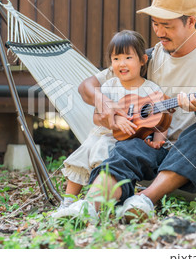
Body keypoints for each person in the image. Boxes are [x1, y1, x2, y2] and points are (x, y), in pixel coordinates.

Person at [64, 0, 196, 223]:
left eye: (167, 25)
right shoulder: (147, 58)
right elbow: (87, 86)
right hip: (148, 146)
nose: (159, 32)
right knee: (125, 147)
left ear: (191, 21)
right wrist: (106, 103)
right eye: (155, 24)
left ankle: (145, 199)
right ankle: (89, 206)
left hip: (192, 155)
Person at [52, 30, 168, 217]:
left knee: (104, 156)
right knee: (81, 157)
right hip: (101, 134)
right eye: (116, 59)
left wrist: (158, 140)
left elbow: (162, 119)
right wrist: (115, 120)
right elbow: (97, 118)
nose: (121, 63)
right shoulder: (109, 86)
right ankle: (67, 202)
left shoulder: (151, 90)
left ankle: (96, 204)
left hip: (122, 143)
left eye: (128, 57)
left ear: (142, 60)